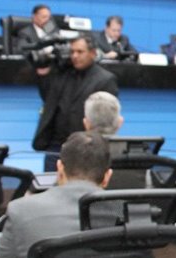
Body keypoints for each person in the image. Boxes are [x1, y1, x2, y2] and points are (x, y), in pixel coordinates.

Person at [32, 34, 119, 171]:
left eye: (80, 52)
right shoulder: (61, 73)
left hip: (86, 147)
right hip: (56, 146)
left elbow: (105, 120)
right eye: (72, 52)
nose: (75, 56)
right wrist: (44, 72)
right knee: (50, 183)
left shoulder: (105, 79)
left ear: (93, 53)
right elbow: (47, 98)